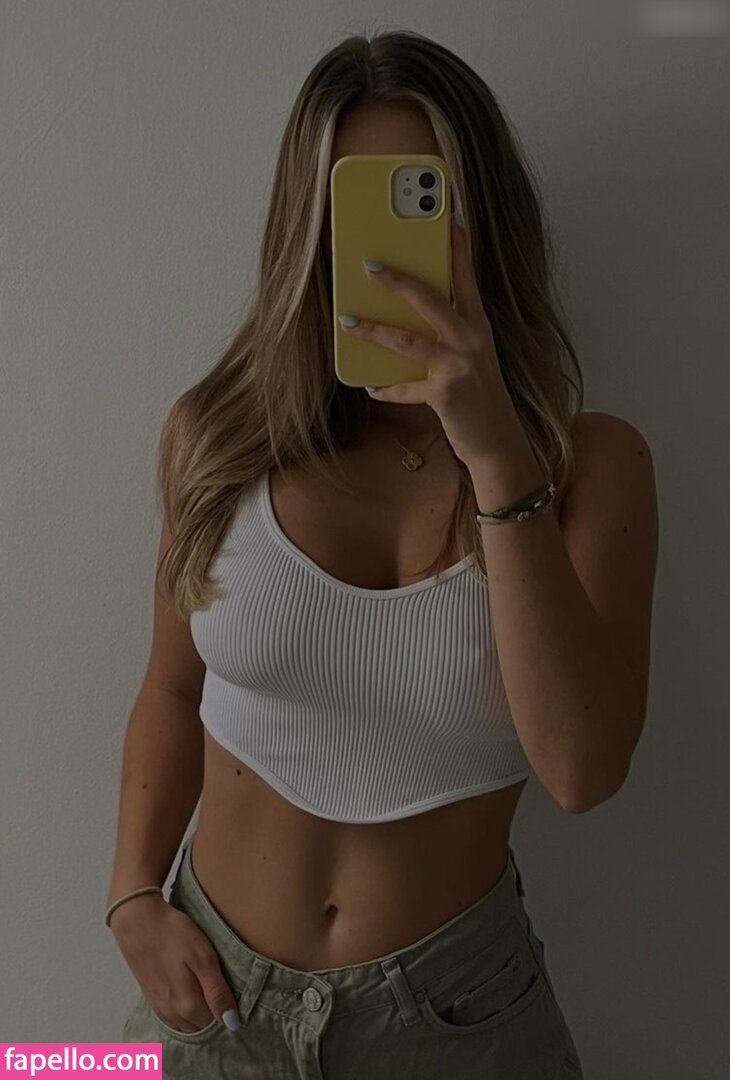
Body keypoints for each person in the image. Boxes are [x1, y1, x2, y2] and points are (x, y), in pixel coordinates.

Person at [106, 28, 657, 1080]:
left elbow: (583, 771)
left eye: (425, 200)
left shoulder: (591, 465)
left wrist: (493, 450)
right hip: (213, 999)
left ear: (486, 220)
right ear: (305, 224)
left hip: (460, 1019)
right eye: (356, 204)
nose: (385, 247)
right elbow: (172, 692)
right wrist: (132, 894)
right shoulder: (217, 438)